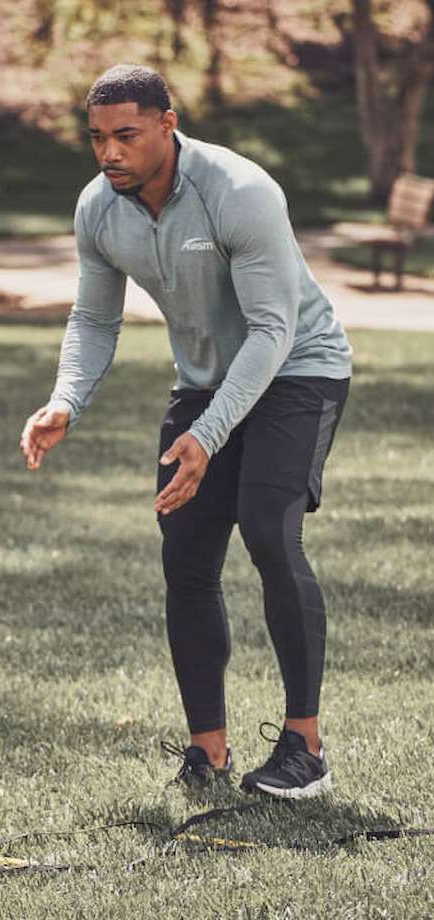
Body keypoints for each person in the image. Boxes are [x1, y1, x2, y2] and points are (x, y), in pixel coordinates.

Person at [20, 64, 352, 800]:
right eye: (98, 138)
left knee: (270, 529)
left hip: (299, 369)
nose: (110, 153)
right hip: (204, 383)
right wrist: (65, 400)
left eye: (127, 136)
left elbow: (273, 329)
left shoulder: (240, 192)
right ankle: (209, 752)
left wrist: (209, 435)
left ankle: (306, 748)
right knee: (188, 556)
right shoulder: (99, 209)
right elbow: (95, 318)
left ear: (169, 124)